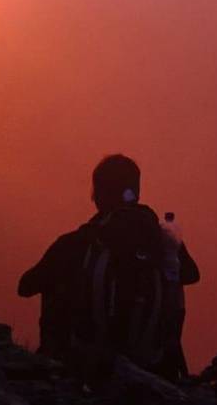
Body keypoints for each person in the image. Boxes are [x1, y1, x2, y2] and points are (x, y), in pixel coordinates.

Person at [17, 154, 200, 378]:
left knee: (56, 280)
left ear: (99, 195)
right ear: (135, 192)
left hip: (90, 359)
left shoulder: (79, 241)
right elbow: (192, 275)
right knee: (173, 276)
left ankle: (54, 359)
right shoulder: (163, 240)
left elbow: (25, 287)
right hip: (152, 361)